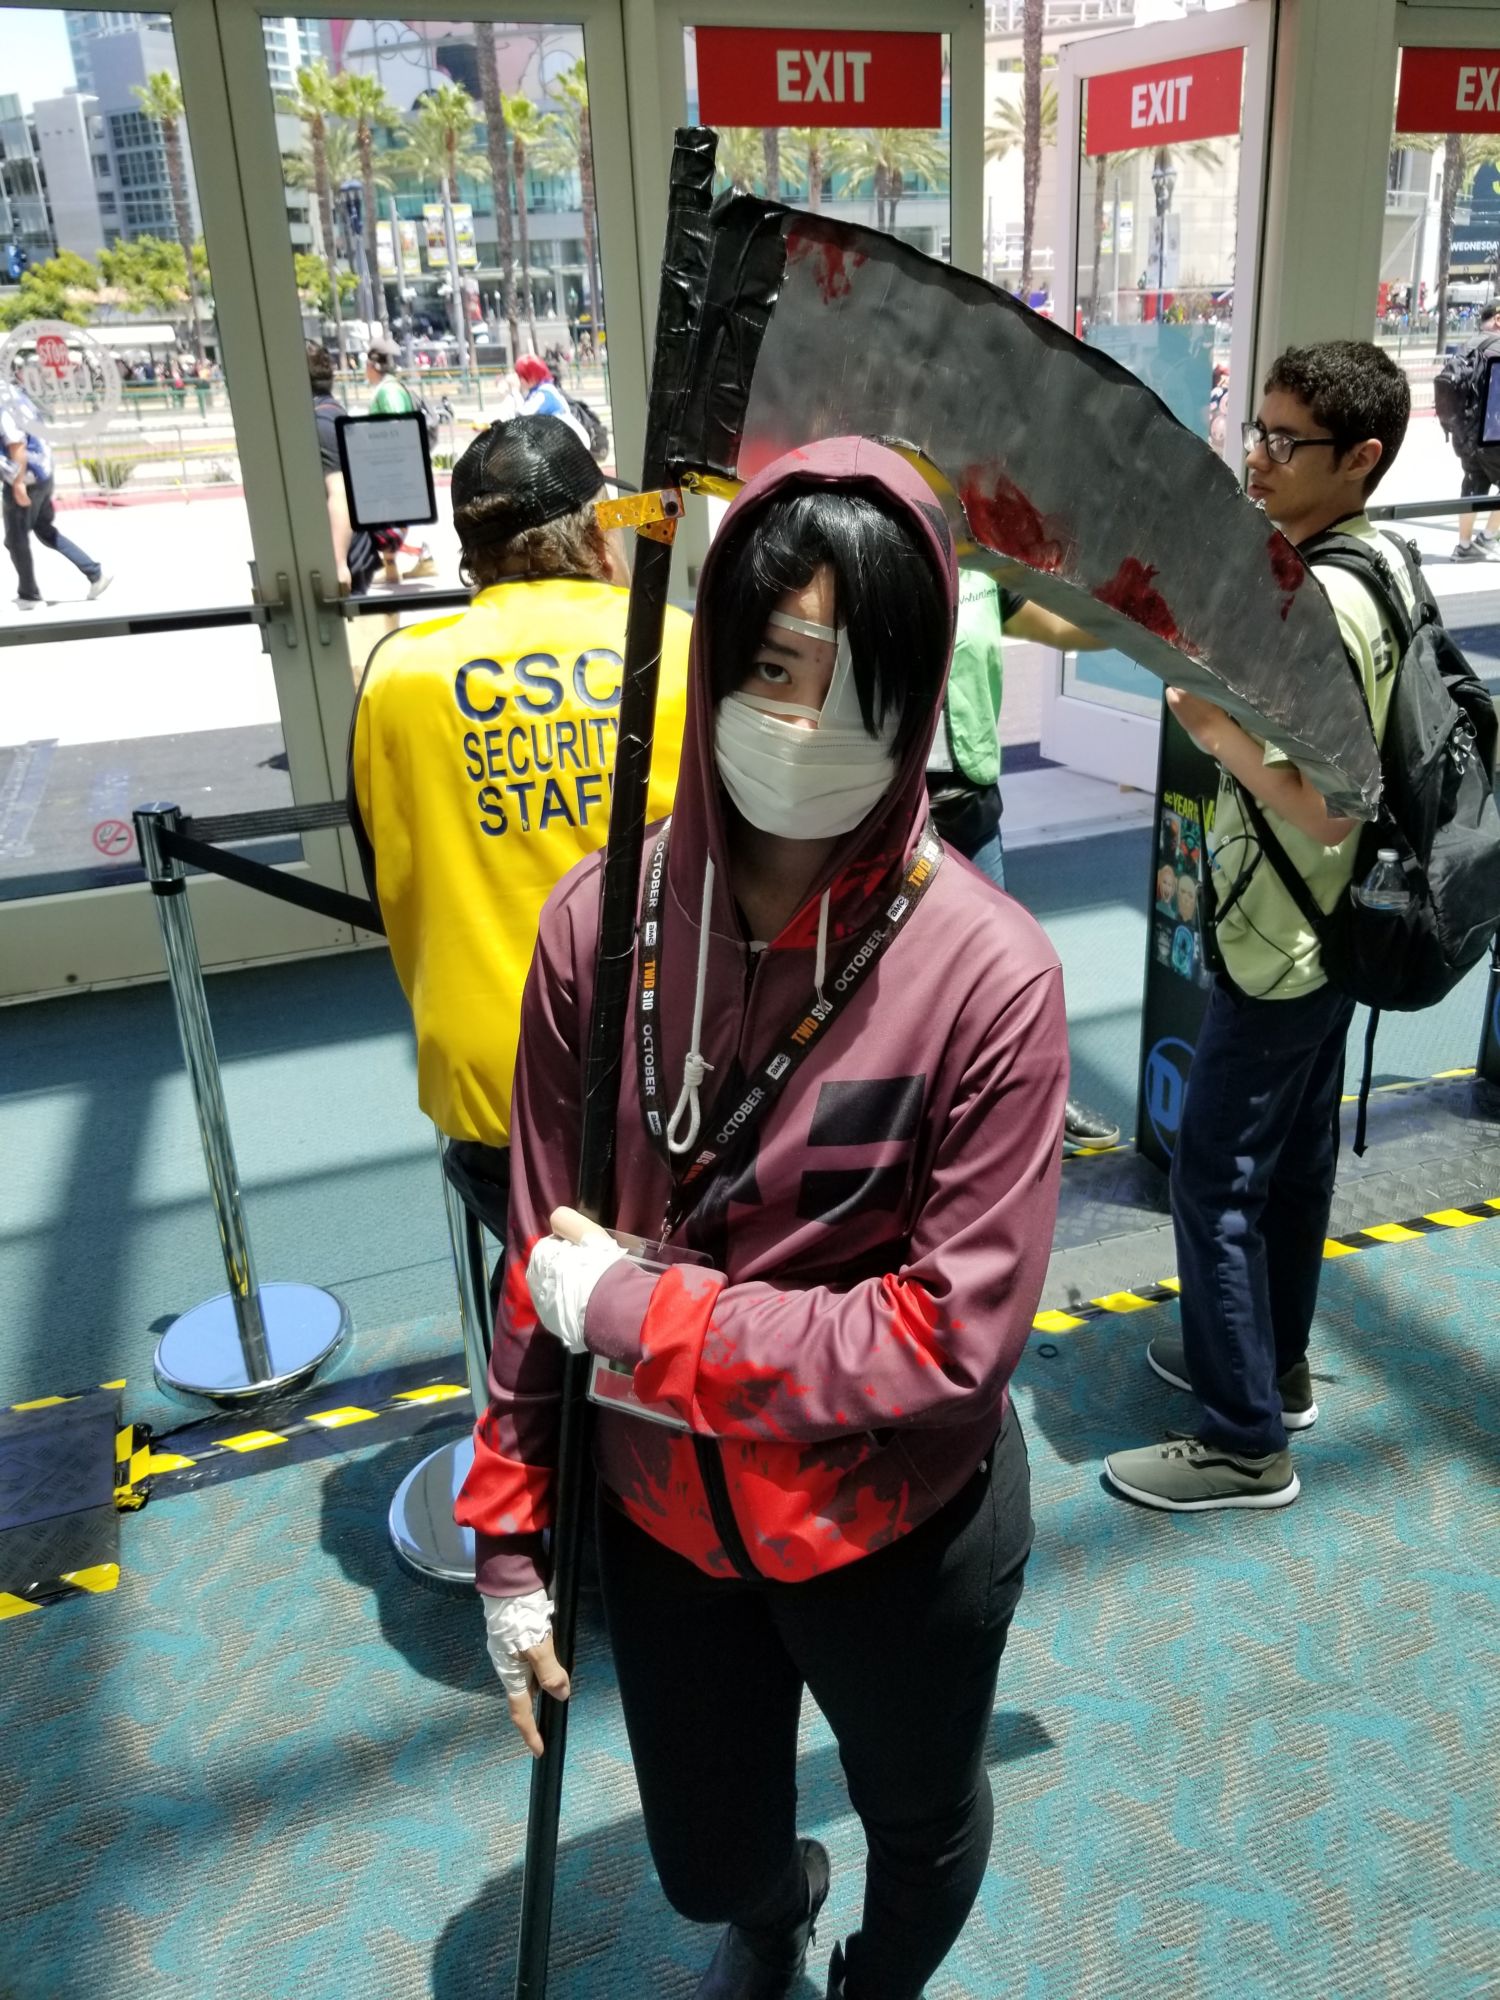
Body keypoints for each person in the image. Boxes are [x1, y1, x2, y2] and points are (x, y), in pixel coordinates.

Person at [459, 437, 1069, 2000]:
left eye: (855, 684)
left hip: (892, 1524)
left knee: (919, 1819)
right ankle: (775, 1902)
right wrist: (508, 1533)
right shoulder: (599, 928)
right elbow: (542, 1250)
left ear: (918, 697)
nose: (802, 726)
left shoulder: (988, 975)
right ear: (713, 658)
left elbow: (948, 1340)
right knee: (703, 1858)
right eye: (771, 668)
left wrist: (645, 1314)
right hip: (668, 1517)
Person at [1105, 339, 1413, 1512]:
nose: (1261, 457)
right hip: (1334, 931)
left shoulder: (1330, 596)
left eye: (1290, 441)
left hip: (1284, 933)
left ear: (1361, 457)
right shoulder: (1378, 558)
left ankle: (1243, 1441)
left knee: (1214, 1180)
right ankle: (1270, 1365)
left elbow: (1331, 807)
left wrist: (1214, 731)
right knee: (1292, 1162)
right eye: (1260, 429)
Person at [348, 412, 690, 1237]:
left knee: (539, 1297)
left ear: (474, 555)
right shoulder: (679, 644)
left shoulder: (399, 677)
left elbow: (387, 870)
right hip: (668, 1080)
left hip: (495, 1098)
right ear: (599, 534)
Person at [926, 561, 1121, 1153]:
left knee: (1009, 975)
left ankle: (1037, 1098)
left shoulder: (982, 571)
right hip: (893, 820)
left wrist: (1137, 599)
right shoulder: (873, 546)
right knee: (904, 985)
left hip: (972, 812)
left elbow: (1065, 628)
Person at [1, 391, 110, 610]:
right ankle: (95, 573)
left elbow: (17, 445)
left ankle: (29, 596)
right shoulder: (15, 395)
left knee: (16, 539)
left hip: (25, 479)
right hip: (42, 474)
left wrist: (18, 483)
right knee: (44, 530)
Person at [363, 334, 436, 582]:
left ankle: (418, 558)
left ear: (373, 365)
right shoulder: (390, 389)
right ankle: (392, 566)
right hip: (397, 465)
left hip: (394, 466)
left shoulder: (389, 392)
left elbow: (396, 428)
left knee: (395, 516)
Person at [307, 341, 377, 600]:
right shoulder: (333, 412)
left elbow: (340, 492)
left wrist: (337, 564)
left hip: (346, 557)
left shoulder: (319, 424)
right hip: (356, 550)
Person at [1448, 301, 1500, 562]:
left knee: (1472, 484)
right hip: (1492, 434)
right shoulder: (1498, 347)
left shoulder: (1466, 347)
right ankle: (1488, 539)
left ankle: (1463, 546)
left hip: (1463, 434)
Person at [510, 352, 592, 449]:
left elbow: (521, 417)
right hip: (566, 440)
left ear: (531, 375)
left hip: (573, 444)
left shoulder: (543, 394)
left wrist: (514, 390)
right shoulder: (543, 389)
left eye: (520, 376)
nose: (519, 380)